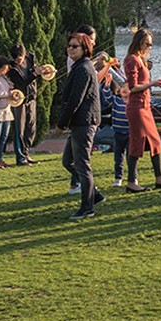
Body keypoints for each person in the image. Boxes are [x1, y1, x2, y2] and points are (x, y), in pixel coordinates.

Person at [56, 31, 104, 220]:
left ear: (85, 49)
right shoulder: (79, 67)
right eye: (69, 45)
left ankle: (87, 207)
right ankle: (95, 195)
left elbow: (76, 99)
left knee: (82, 165)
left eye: (75, 46)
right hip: (79, 123)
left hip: (84, 122)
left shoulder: (83, 68)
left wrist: (61, 124)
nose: (70, 49)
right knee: (68, 161)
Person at [123, 28, 161, 192]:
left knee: (155, 141)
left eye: (151, 44)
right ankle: (131, 182)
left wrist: (153, 83)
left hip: (145, 106)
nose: (149, 47)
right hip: (137, 107)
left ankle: (159, 178)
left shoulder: (140, 59)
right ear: (139, 42)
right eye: (147, 43)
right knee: (136, 143)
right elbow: (132, 87)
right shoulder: (132, 59)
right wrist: (152, 84)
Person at [7, 43, 41, 166]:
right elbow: (22, 84)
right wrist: (35, 74)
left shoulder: (31, 58)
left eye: (19, 59)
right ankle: (20, 157)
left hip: (31, 98)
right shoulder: (12, 69)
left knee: (31, 128)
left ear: (24, 55)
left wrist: (42, 71)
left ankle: (26, 153)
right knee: (19, 129)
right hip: (19, 101)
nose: (17, 61)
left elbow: (35, 71)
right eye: (15, 59)